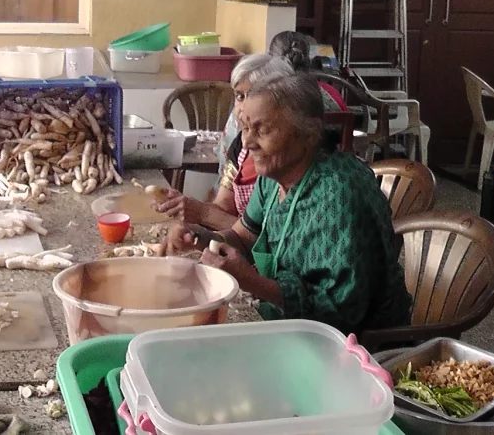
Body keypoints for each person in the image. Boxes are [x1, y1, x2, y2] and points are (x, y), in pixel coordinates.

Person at [165, 73, 411, 335]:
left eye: (263, 130)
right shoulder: (273, 177)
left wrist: (252, 282)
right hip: (292, 325)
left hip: (358, 346)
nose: (247, 143)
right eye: (246, 128)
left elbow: (340, 314)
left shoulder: (340, 195)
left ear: (309, 133)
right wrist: (201, 237)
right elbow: (243, 236)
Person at [154, 54, 293, 226]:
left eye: (253, 97)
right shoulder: (240, 147)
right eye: (239, 97)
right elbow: (223, 207)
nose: (243, 109)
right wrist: (189, 211)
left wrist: (202, 214)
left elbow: (264, 239)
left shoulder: (284, 161)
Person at [214, 31, 347, 199]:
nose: (247, 142)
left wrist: (202, 213)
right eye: (239, 97)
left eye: (263, 129)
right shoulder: (269, 176)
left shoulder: (326, 187)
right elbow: (247, 224)